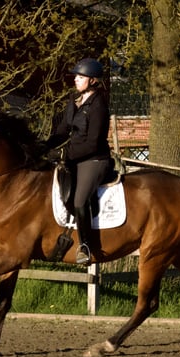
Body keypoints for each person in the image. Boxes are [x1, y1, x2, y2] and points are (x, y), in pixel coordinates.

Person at [46, 58, 112, 265]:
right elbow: (62, 130)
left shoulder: (99, 106)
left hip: (94, 160)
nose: (75, 79)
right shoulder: (75, 101)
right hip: (75, 157)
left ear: (92, 81)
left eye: (80, 77)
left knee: (79, 200)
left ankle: (85, 246)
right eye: (76, 76)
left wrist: (64, 154)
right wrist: (45, 146)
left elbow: (93, 142)